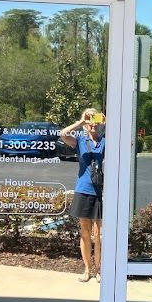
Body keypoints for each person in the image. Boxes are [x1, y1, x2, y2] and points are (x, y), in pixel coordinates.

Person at [60, 108, 105, 282]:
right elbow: (63, 134)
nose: (92, 123)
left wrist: (105, 121)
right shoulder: (80, 140)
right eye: (90, 119)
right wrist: (81, 121)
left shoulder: (104, 141)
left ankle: (99, 269)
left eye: (95, 119)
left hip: (99, 190)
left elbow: (121, 140)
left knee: (99, 233)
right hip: (83, 189)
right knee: (85, 232)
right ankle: (87, 269)